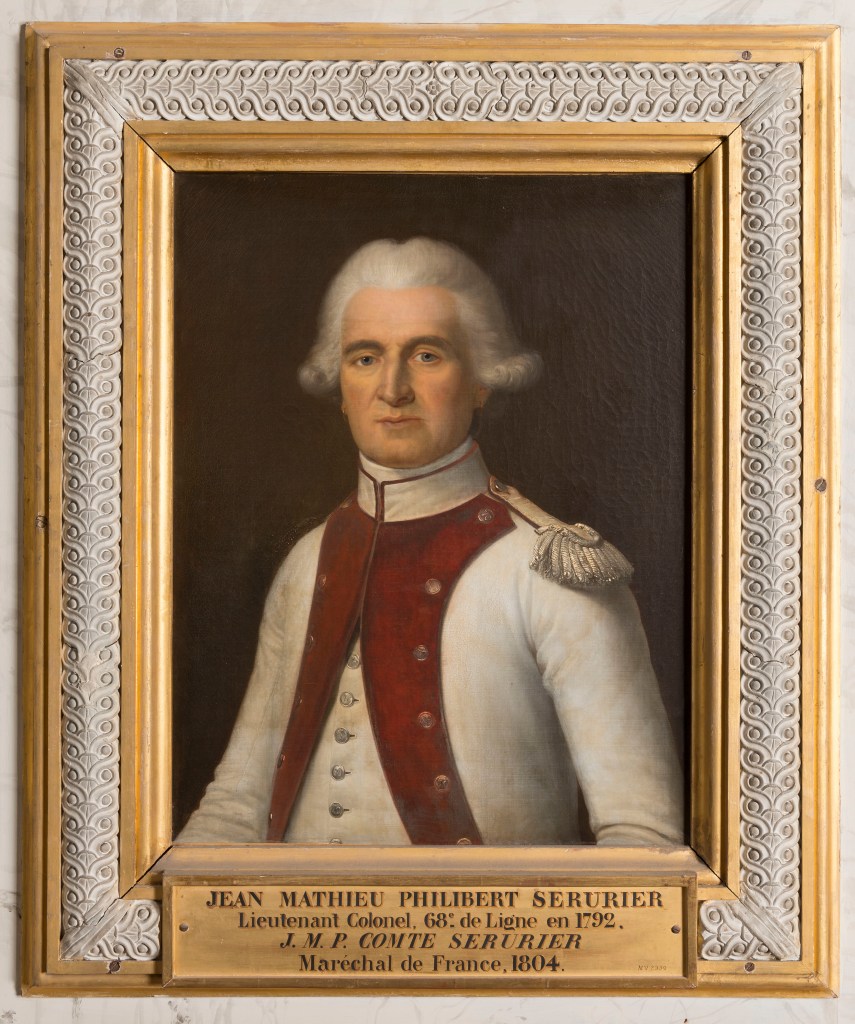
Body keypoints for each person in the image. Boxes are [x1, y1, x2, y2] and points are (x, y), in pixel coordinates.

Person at [177, 237, 684, 847]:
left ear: (483, 379)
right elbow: (237, 806)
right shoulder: (306, 562)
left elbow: (643, 837)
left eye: (426, 355)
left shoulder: (550, 567)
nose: (393, 388)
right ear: (341, 388)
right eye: (366, 358)